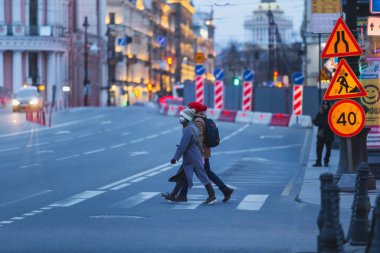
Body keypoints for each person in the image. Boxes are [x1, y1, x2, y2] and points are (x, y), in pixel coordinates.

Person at [173, 102, 234, 203]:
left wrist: (197, 153)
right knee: (192, 172)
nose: (188, 109)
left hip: (199, 153)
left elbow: (198, 138)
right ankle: (181, 195)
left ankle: (216, 193)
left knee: (196, 172)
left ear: (195, 110)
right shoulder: (198, 119)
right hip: (200, 152)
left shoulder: (198, 121)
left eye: (190, 108)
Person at [163, 108, 217, 205]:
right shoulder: (192, 127)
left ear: (186, 118)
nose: (180, 118)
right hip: (193, 156)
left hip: (192, 158)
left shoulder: (188, 129)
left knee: (202, 176)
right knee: (182, 176)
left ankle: (212, 195)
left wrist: (175, 158)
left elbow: (183, 145)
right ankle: (173, 196)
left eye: (182, 117)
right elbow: (196, 142)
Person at [312, 100, 335, 167]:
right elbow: (315, 121)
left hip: (329, 133)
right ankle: (318, 162)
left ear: (328, 106)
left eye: (326, 105)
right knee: (319, 148)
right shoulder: (320, 113)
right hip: (321, 133)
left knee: (328, 149)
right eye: (324, 105)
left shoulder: (331, 113)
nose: (325, 106)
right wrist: (320, 123)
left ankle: (326, 161)